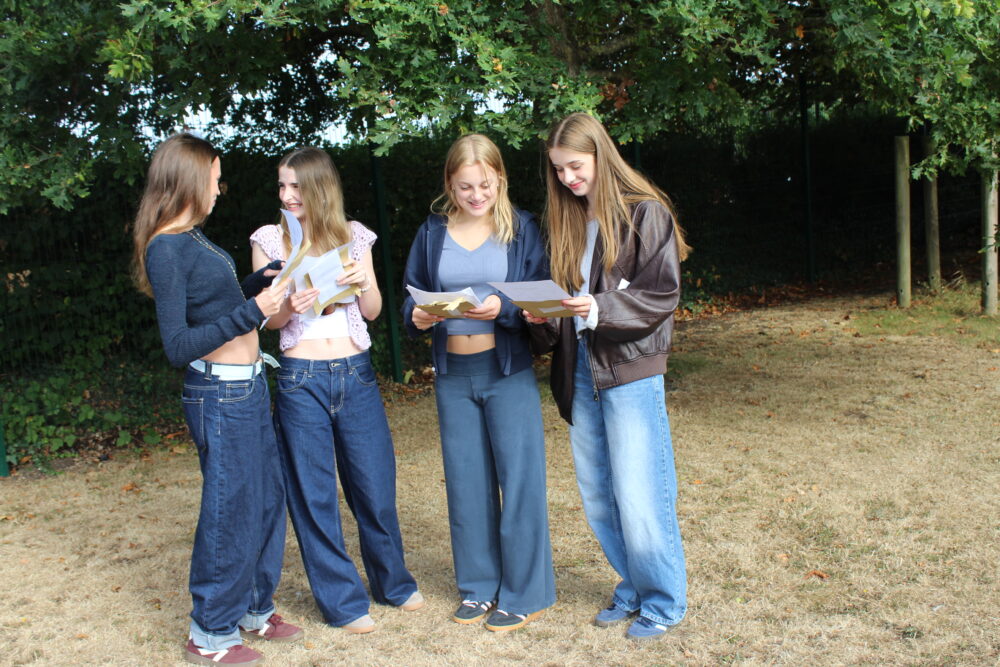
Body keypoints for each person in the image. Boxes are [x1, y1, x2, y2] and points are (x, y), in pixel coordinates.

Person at [132, 133, 302, 666]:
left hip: (248, 387)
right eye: (214, 178)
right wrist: (256, 310)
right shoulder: (166, 247)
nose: (219, 189)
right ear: (188, 179)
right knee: (230, 510)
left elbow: (215, 304)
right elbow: (178, 345)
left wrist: (260, 282)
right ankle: (208, 633)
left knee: (267, 498)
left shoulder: (197, 239)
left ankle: (253, 607)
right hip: (218, 396)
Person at [528, 112, 691, 642]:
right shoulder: (572, 221)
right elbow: (568, 309)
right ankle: (634, 585)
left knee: (641, 491)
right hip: (579, 372)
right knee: (599, 493)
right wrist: (545, 316)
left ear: (601, 155)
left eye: (575, 167)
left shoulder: (647, 214)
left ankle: (663, 600)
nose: (568, 179)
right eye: (559, 171)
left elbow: (661, 295)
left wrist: (593, 307)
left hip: (628, 371)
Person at [250, 147, 422, 635]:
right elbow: (271, 321)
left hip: (356, 372)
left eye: (295, 187)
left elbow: (371, 310)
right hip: (301, 377)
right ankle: (343, 602)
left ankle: (394, 585)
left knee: (375, 486)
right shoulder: (269, 239)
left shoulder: (354, 235)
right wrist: (290, 302)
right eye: (281, 186)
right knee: (314, 494)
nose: (286, 196)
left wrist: (362, 278)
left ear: (319, 188)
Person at [401, 134, 555, 632]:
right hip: (453, 375)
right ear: (449, 184)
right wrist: (418, 317)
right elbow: (410, 299)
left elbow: (539, 295)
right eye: (465, 186)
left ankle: (526, 591)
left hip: (506, 370)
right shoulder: (431, 232)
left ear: (500, 179)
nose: (475, 195)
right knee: (466, 486)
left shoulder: (524, 228)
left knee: (520, 481)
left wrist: (504, 308)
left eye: (484, 185)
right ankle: (478, 588)